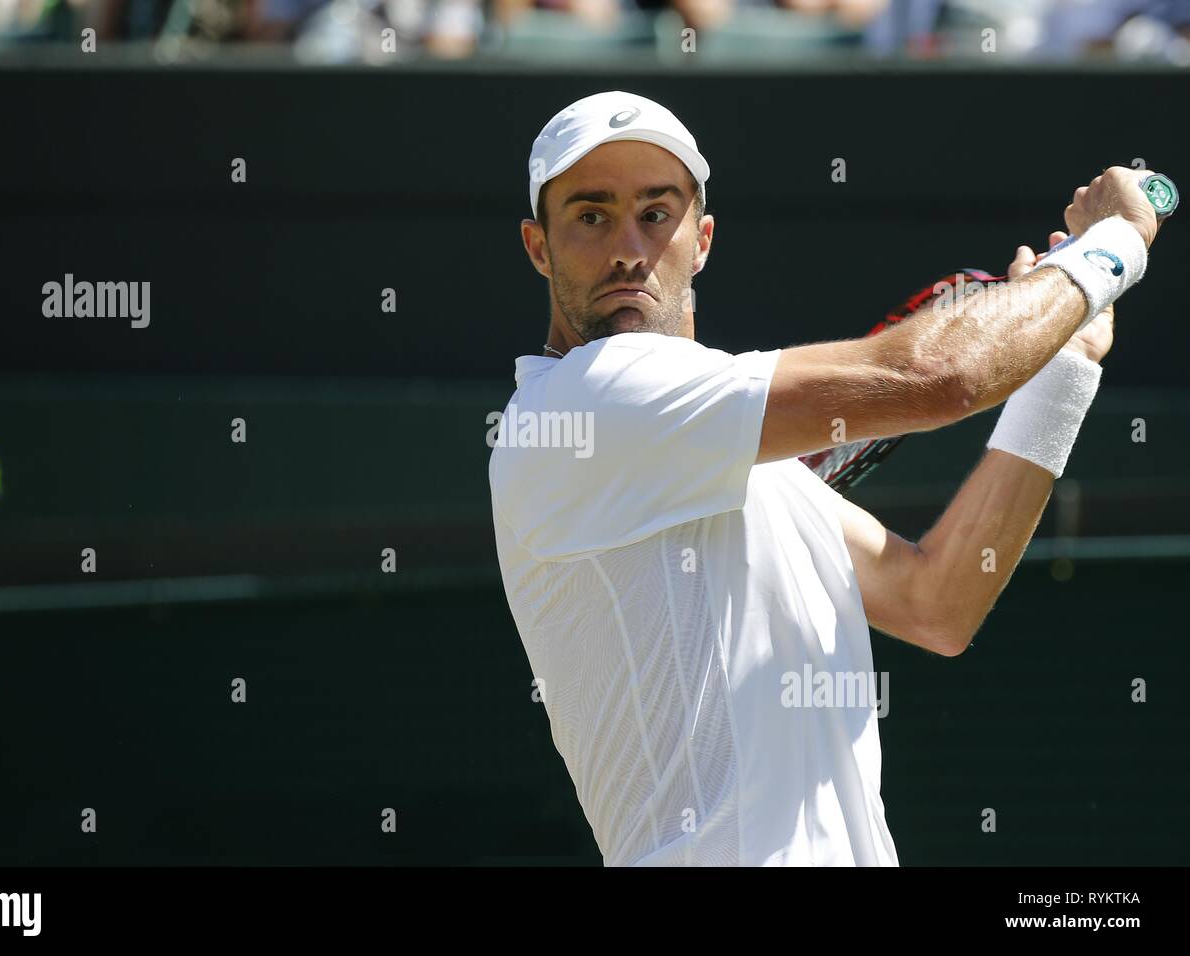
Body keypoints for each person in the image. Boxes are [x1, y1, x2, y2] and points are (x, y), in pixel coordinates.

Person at [488, 89, 1162, 865]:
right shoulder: (587, 400)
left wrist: (1062, 369)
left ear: (700, 238)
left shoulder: (719, 447)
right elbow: (943, 372)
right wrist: (1114, 244)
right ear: (539, 246)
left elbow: (936, 602)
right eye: (591, 215)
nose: (629, 249)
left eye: (656, 212)